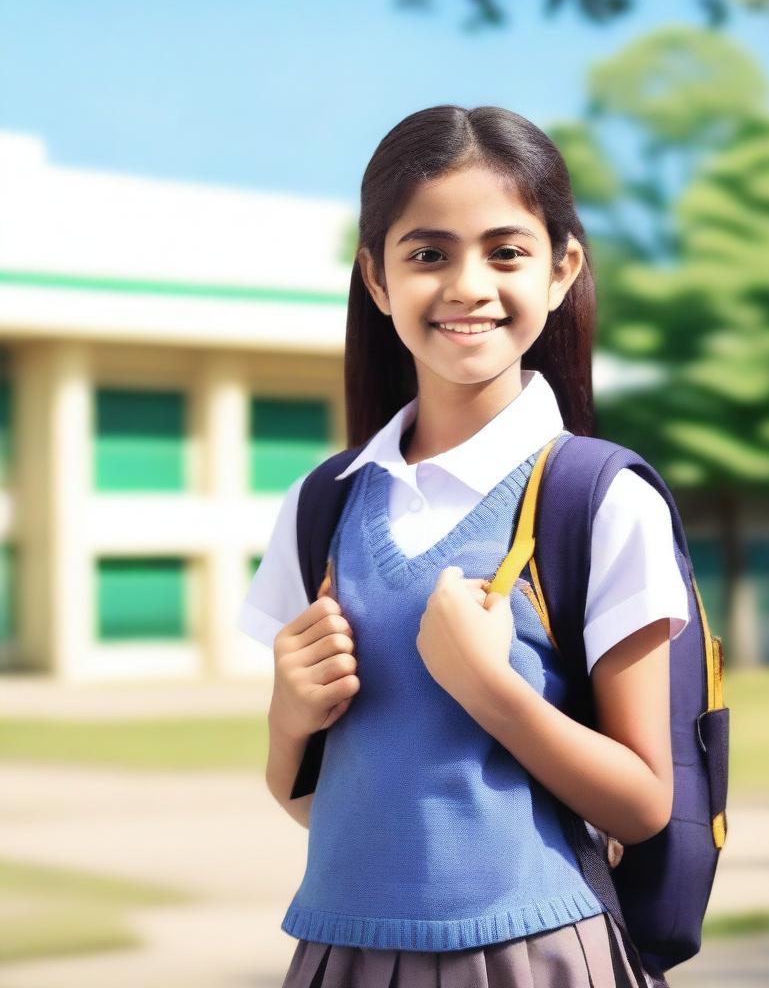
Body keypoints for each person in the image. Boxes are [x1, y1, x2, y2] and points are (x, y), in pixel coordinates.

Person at [237, 104, 690, 988]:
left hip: (535, 953)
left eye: (505, 251)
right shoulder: (319, 505)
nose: (466, 285)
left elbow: (643, 804)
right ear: (375, 278)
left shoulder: (597, 500)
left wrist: (490, 689)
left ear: (563, 270)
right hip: (345, 950)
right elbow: (318, 803)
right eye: (427, 254)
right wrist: (289, 716)